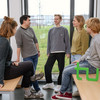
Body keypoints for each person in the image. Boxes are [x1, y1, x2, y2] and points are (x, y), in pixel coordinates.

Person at [51, 17, 100, 100]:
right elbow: (88, 51)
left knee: (66, 71)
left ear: (91, 28)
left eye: (87, 26)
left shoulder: (97, 40)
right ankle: (68, 92)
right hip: (88, 63)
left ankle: (62, 92)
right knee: (67, 68)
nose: (86, 28)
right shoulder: (94, 38)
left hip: (92, 67)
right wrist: (80, 60)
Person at [0, 16, 41, 99]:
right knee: (29, 64)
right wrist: (0, 81)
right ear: (10, 29)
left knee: (27, 68)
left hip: (7, 67)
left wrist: (11, 62)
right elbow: (1, 61)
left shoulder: (3, 39)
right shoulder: (4, 41)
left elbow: (3, 59)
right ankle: (32, 78)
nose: (16, 30)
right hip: (5, 73)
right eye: (15, 28)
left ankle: (27, 92)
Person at [15, 15, 43, 98]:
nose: (30, 21)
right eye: (29, 20)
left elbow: (36, 41)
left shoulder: (31, 29)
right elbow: (18, 46)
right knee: (33, 74)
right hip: (27, 57)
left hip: (35, 55)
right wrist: (17, 58)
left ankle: (29, 88)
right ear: (24, 21)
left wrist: (38, 51)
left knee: (31, 73)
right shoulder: (19, 32)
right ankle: (38, 90)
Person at [43, 14, 70, 92]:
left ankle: (59, 84)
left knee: (61, 68)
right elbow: (49, 42)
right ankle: (49, 83)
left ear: (60, 20)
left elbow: (67, 42)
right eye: (54, 19)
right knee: (47, 67)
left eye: (57, 19)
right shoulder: (51, 30)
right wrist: (48, 51)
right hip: (52, 52)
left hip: (61, 52)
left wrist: (68, 52)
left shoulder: (64, 30)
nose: (55, 20)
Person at [71, 15, 89, 96]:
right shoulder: (75, 31)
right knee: (74, 74)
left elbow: (85, 48)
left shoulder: (84, 32)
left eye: (74, 21)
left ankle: (80, 91)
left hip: (79, 56)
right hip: (73, 55)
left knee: (80, 74)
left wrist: (82, 59)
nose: (73, 22)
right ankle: (77, 90)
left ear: (79, 22)